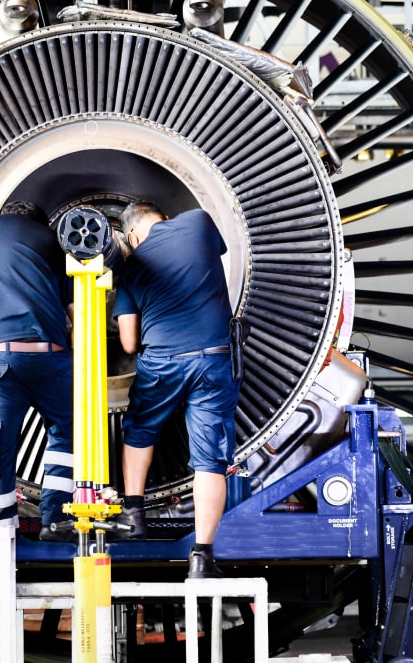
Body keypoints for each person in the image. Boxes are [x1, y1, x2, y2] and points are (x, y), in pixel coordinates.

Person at [113, 201, 239, 578]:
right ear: (164, 218)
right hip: (213, 358)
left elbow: (130, 343)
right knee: (209, 460)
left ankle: (134, 514)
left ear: (132, 237)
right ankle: (202, 557)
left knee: (140, 429)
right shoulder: (198, 222)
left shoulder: (132, 268)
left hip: (163, 361)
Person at [0, 201, 76, 583]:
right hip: (49, 355)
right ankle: (56, 522)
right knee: (67, 434)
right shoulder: (52, 241)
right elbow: (73, 310)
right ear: (36, 221)